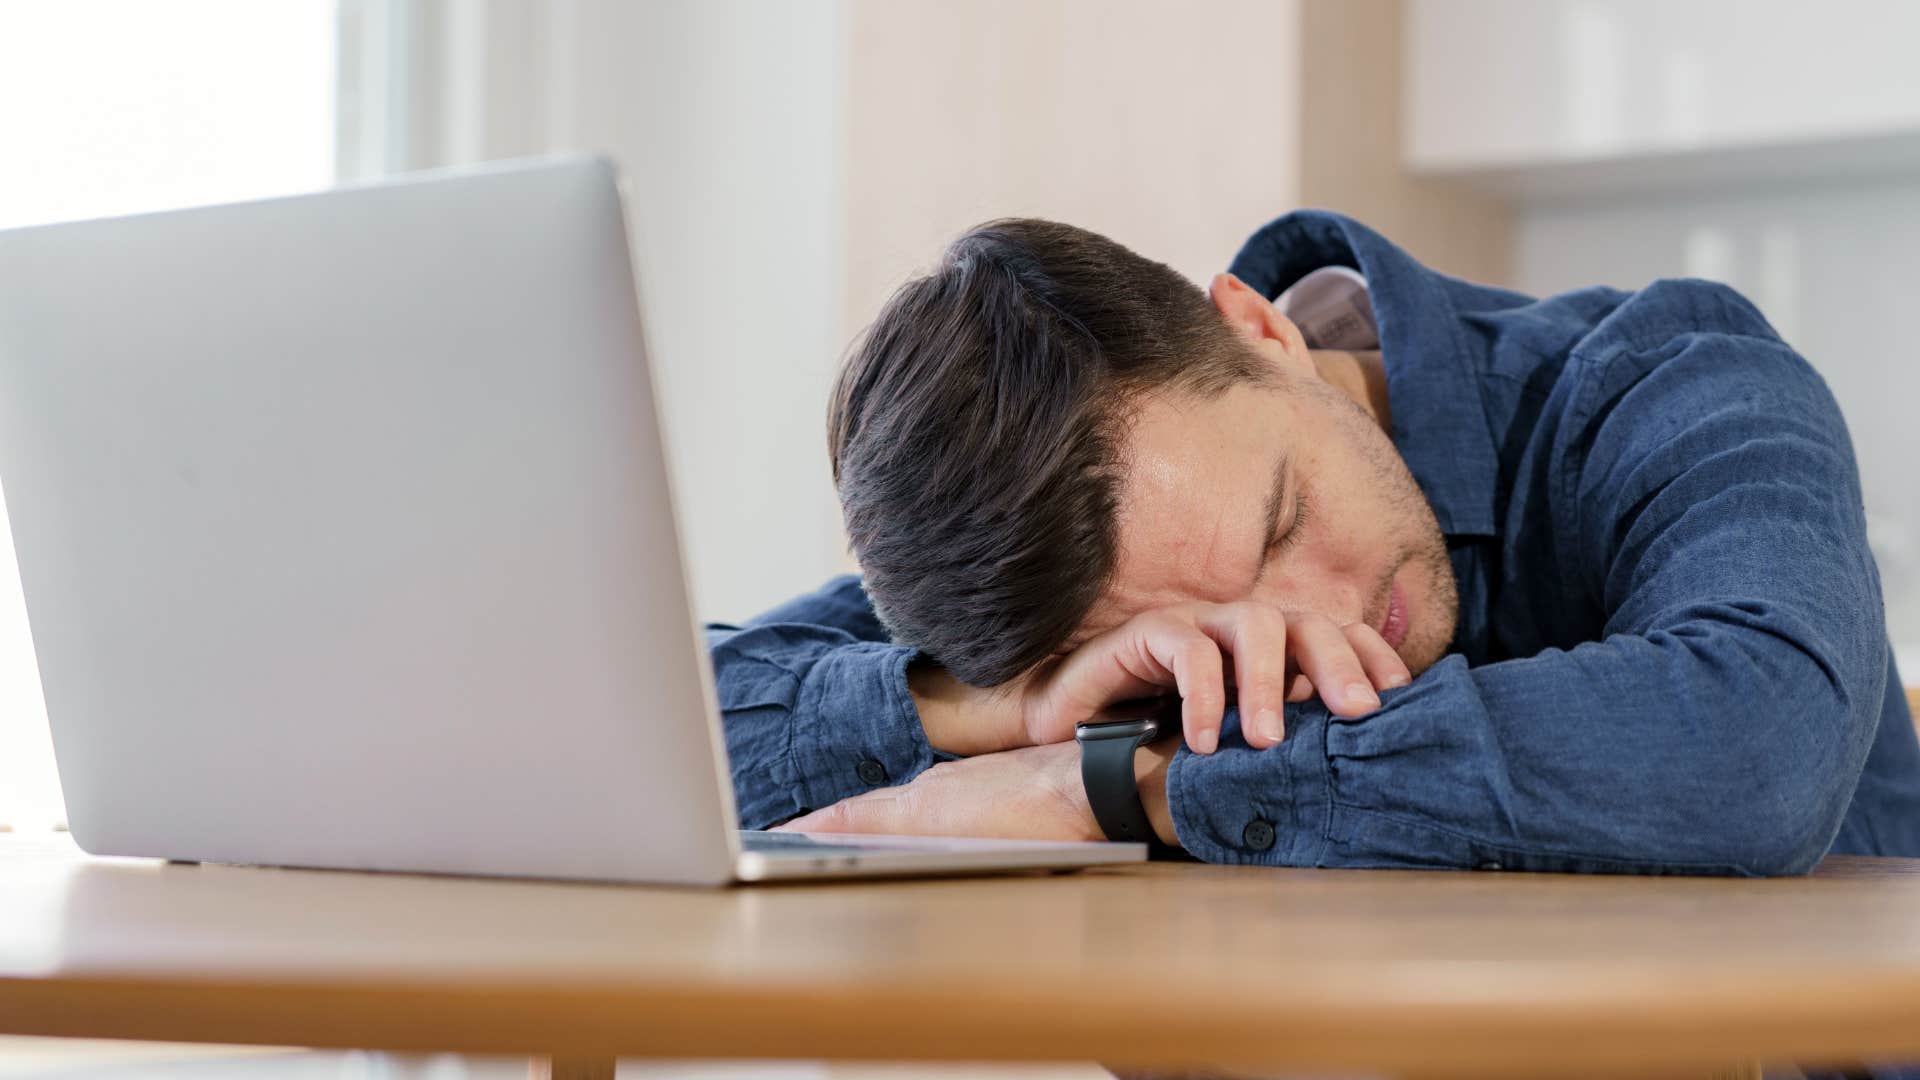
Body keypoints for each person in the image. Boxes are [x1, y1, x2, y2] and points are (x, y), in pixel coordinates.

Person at [704, 211, 1920, 873]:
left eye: (1283, 520)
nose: (1321, 629)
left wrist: (1124, 787)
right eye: (1203, 638)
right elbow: (666, 734)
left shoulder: (1673, 382)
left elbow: (1758, 744)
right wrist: (996, 715)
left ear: (1259, 331)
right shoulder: (1072, 553)